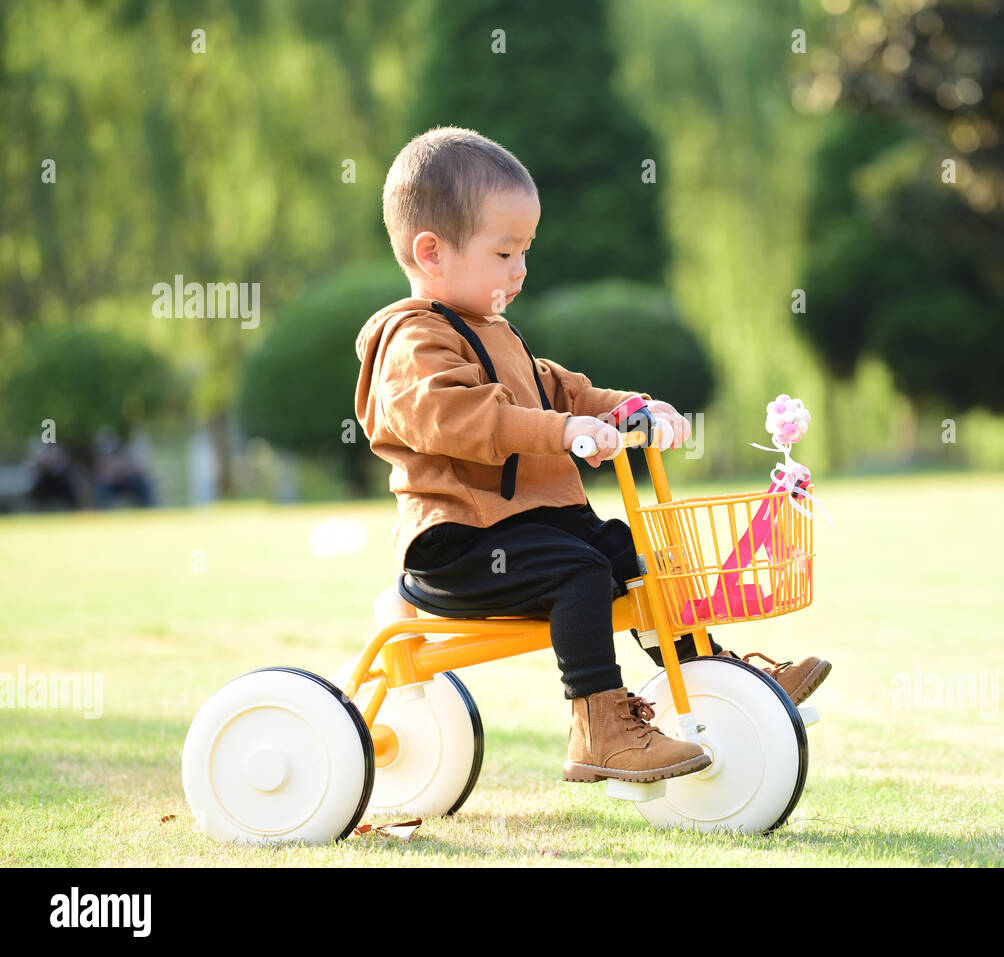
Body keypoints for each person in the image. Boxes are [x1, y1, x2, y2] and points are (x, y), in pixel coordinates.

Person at [353, 126, 830, 785]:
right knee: (580, 570)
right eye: (504, 251)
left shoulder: (493, 330)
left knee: (637, 558)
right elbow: (457, 416)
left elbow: (560, 389)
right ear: (431, 252)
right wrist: (563, 432)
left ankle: (715, 670)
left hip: (531, 527)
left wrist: (627, 410)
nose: (520, 269)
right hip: (460, 543)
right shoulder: (413, 341)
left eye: (525, 250)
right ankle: (599, 725)